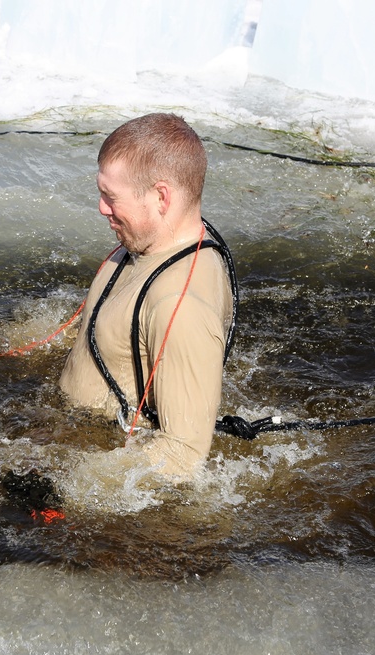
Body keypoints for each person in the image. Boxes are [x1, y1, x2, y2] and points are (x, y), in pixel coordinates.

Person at [59, 113, 234, 480]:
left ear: (161, 197)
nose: (101, 208)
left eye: (111, 197)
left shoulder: (179, 304)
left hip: (95, 446)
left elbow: (182, 453)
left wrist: (62, 485)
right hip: (66, 430)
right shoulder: (143, 246)